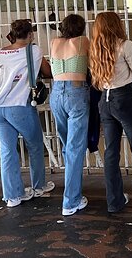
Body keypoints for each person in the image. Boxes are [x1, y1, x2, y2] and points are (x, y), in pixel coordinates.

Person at [0, 19, 55, 207]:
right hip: (19, 106)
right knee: (35, 145)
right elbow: (47, 72)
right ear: (30, 34)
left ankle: (13, 196)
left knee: (7, 151)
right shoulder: (34, 50)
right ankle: (38, 186)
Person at [89, 12, 132, 212]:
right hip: (125, 99)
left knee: (111, 151)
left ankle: (114, 201)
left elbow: (95, 77)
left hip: (105, 100)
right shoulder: (125, 45)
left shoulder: (95, 47)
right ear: (116, 25)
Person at [49, 14, 90, 216]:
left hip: (56, 94)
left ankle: (72, 190)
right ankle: (71, 201)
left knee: (67, 146)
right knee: (75, 148)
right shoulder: (82, 41)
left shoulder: (54, 42)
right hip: (76, 92)